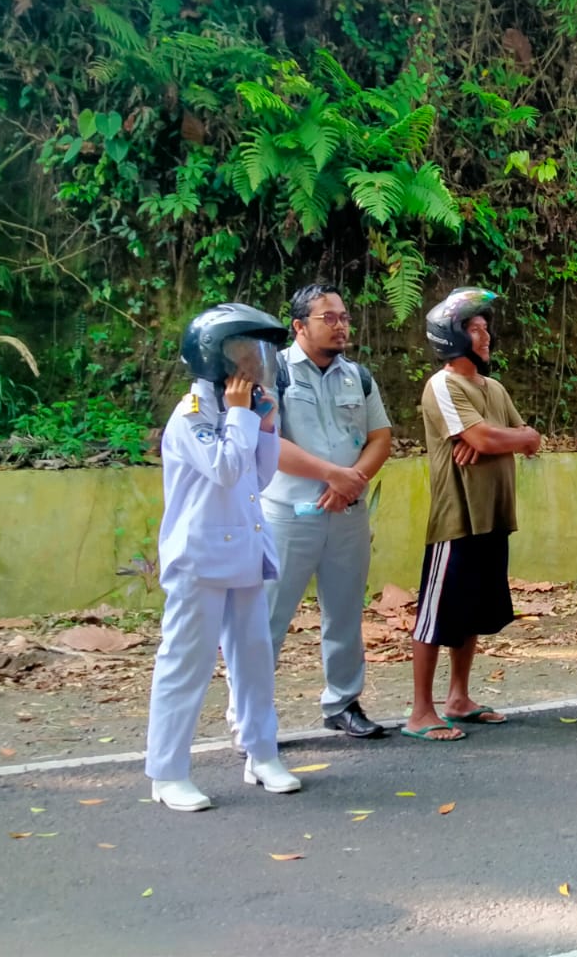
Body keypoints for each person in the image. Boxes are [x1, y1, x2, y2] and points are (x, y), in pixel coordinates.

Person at [145, 303, 302, 811]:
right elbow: (226, 470)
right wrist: (240, 416)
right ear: (215, 358)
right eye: (244, 352)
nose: (256, 364)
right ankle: (167, 772)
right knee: (186, 665)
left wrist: (266, 425)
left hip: (245, 554)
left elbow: (258, 477)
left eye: (259, 353)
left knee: (254, 660)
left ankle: (261, 753)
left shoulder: (240, 414)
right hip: (201, 559)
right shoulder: (191, 416)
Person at [407, 287, 542, 741]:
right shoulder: (443, 385)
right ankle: (421, 712)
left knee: (471, 611)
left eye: (486, 328)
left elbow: (530, 439)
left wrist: (500, 437)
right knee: (435, 614)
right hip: (456, 518)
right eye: (476, 329)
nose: (486, 336)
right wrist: (492, 438)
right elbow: (487, 439)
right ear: (452, 336)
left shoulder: (495, 388)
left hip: (492, 516)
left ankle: (458, 698)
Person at [262, 284, 393, 739]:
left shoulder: (357, 376)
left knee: (344, 611)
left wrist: (351, 480)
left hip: (347, 514)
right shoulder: (272, 371)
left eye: (344, 317)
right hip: (288, 515)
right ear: (299, 326)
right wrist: (334, 475)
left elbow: (380, 437)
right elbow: (266, 442)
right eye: (329, 318)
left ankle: (343, 702)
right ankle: (251, 720)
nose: (341, 326)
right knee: (269, 616)